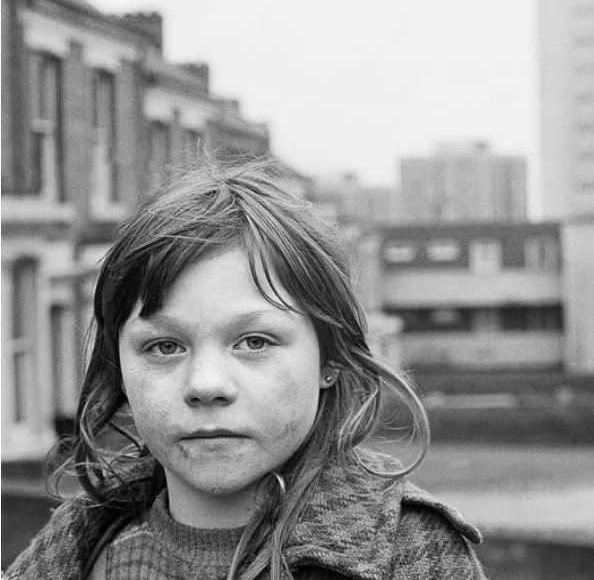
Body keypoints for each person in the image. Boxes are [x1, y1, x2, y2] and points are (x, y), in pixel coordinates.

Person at [7, 160, 486, 579]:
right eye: (164, 346)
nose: (206, 385)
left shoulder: (413, 555)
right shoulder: (79, 555)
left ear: (331, 359)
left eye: (255, 342)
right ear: (119, 369)